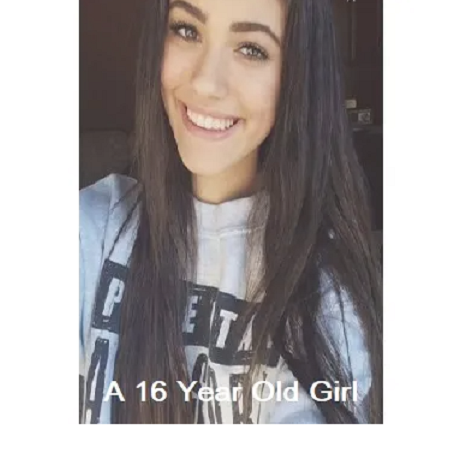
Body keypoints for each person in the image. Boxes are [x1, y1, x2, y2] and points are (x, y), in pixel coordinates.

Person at [79, 0, 382, 424]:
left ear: (297, 75)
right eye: (186, 30)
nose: (206, 82)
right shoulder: (95, 228)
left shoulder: (323, 292)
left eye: (252, 49)